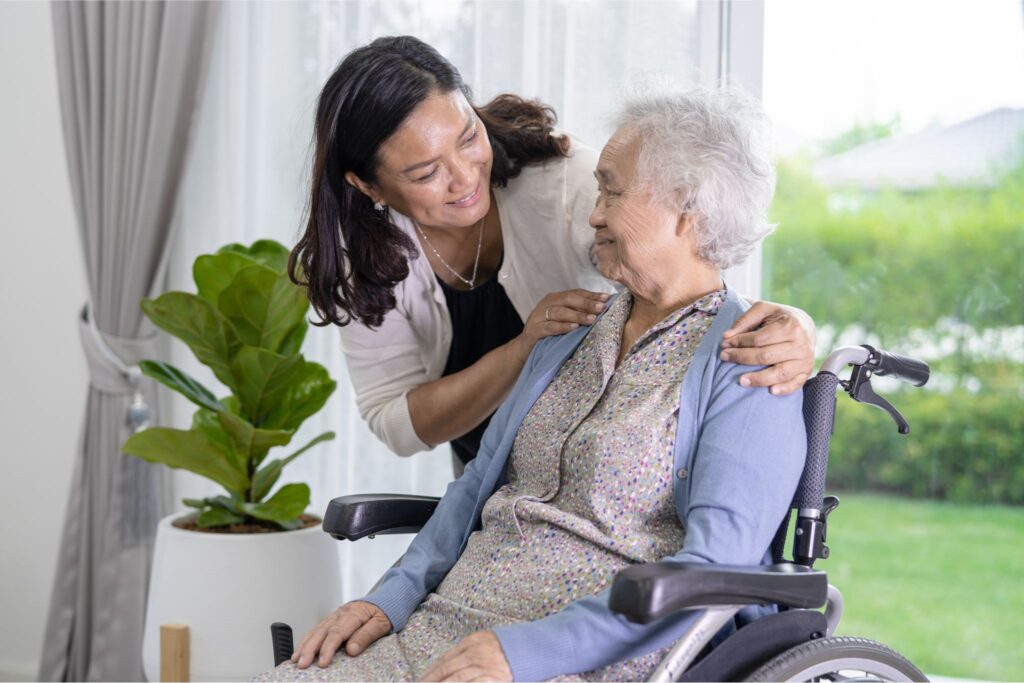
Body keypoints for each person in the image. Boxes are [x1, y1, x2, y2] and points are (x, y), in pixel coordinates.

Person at [257, 85, 807, 682]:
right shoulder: (569, 331)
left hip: (587, 652)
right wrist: (386, 600)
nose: (593, 211)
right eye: (597, 189)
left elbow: (713, 567)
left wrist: (526, 654)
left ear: (688, 210)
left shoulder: (750, 361)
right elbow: (471, 493)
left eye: (612, 191)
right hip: (450, 624)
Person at [288, 36, 816, 472]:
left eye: (468, 137)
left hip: (598, 475)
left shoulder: (569, 187)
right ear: (368, 187)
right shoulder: (363, 257)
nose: (465, 176)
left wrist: (792, 325)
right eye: (426, 173)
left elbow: (695, 269)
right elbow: (397, 423)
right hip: (497, 489)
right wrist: (523, 350)